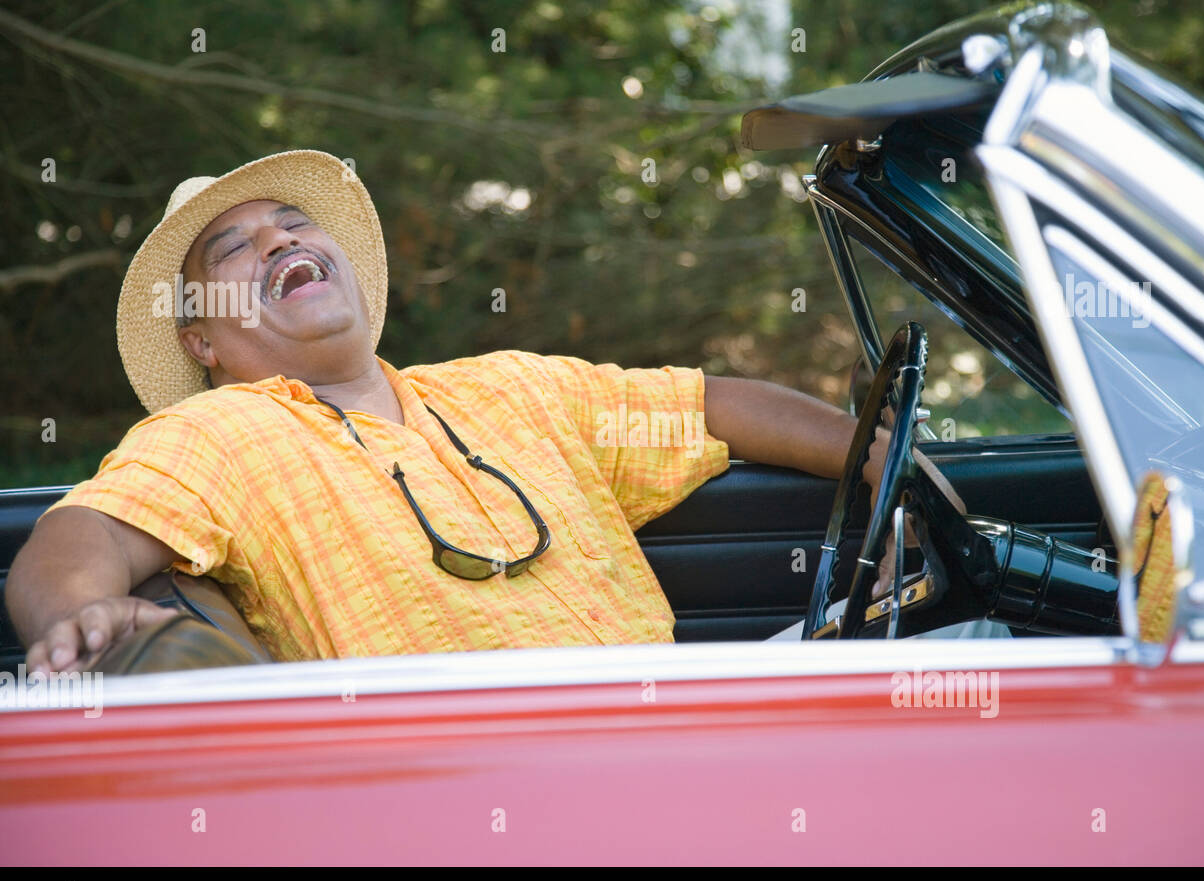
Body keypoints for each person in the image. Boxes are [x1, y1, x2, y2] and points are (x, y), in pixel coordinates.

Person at [6, 150, 971, 676]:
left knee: (985, 655)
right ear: (202, 341)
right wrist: (83, 617)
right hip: (463, 789)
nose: (278, 240)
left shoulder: (510, 385)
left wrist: (870, 455)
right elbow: (76, 535)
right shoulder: (220, 433)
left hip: (681, 726)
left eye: (294, 224)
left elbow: (714, 408)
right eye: (234, 249)